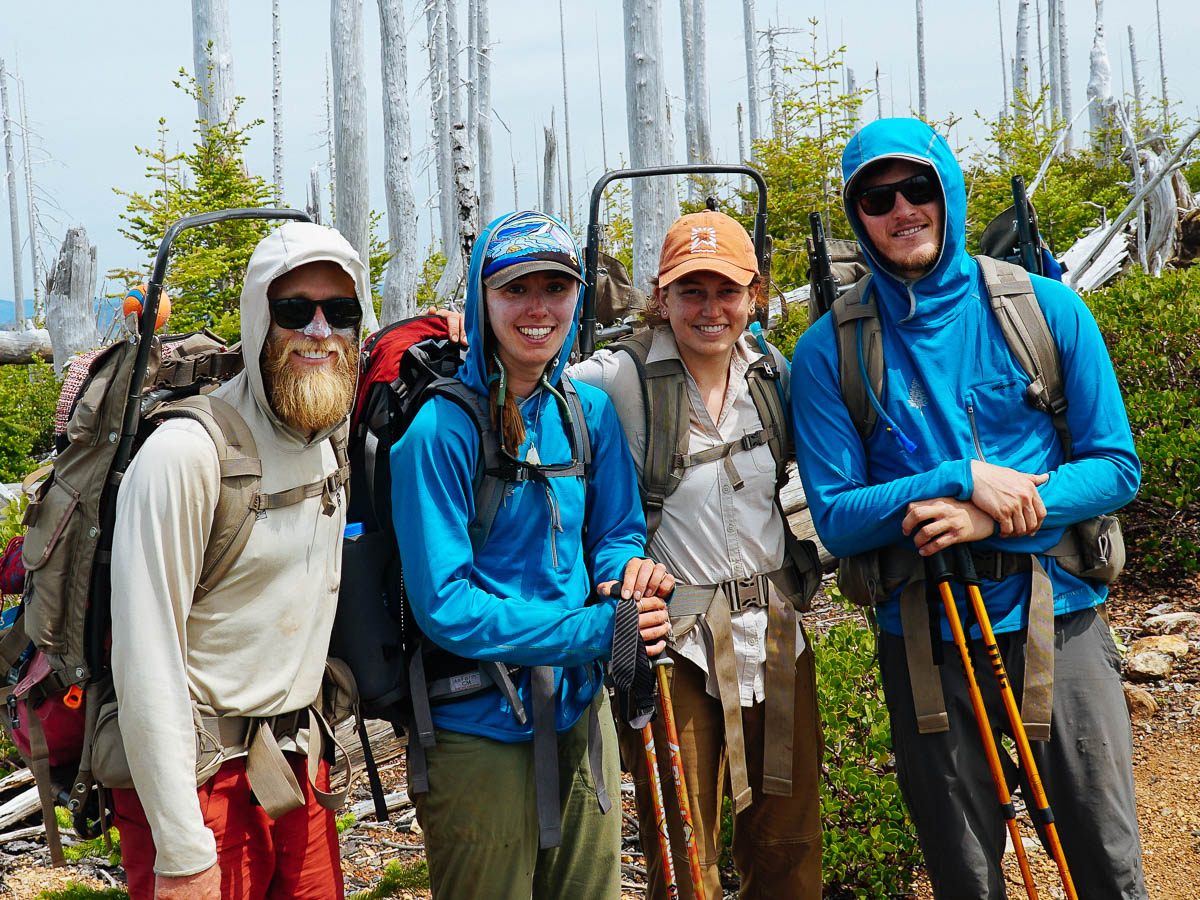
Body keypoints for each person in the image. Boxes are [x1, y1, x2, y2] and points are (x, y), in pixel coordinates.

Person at [790, 117, 1145, 899]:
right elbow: (840, 517)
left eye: (917, 187)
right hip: (925, 638)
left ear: (947, 191)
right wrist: (957, 479)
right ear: (858, 215)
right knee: (966, 874)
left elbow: (1116, 467)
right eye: (877, 198)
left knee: (1107, 859)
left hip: (1061, 615)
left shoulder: (1045, 310)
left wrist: (998, 510)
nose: (901, 210)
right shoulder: (826, 352)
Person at [434, 209, 824, 900]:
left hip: (778, 639)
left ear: (753, 295)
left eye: (727, 291)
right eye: (691, 291)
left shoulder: (776, 374)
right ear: (661, 295)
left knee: (789, 852)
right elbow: (537, 364)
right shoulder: (619, 378)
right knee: (684, 857)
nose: (710, 309)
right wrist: (475, 329)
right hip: (680, 647)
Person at [391, 210, 672, 900]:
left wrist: (622, 578)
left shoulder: (588, 412)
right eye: (516, 289)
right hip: (476, 725)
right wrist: (597, 631)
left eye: (556, 286)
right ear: (481, 301)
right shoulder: (439, 431)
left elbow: (616, 530)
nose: (539, 308)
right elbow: (446, 606)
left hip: (578, 712)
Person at [109, 222, 368, 900]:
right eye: (294, 311)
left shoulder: (328, 428)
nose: (319, 331)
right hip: (196, 780)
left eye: (340, 312)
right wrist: (182, 846)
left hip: (295, 765)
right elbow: (144, 658)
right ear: (261, 319)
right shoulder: (184, 456)